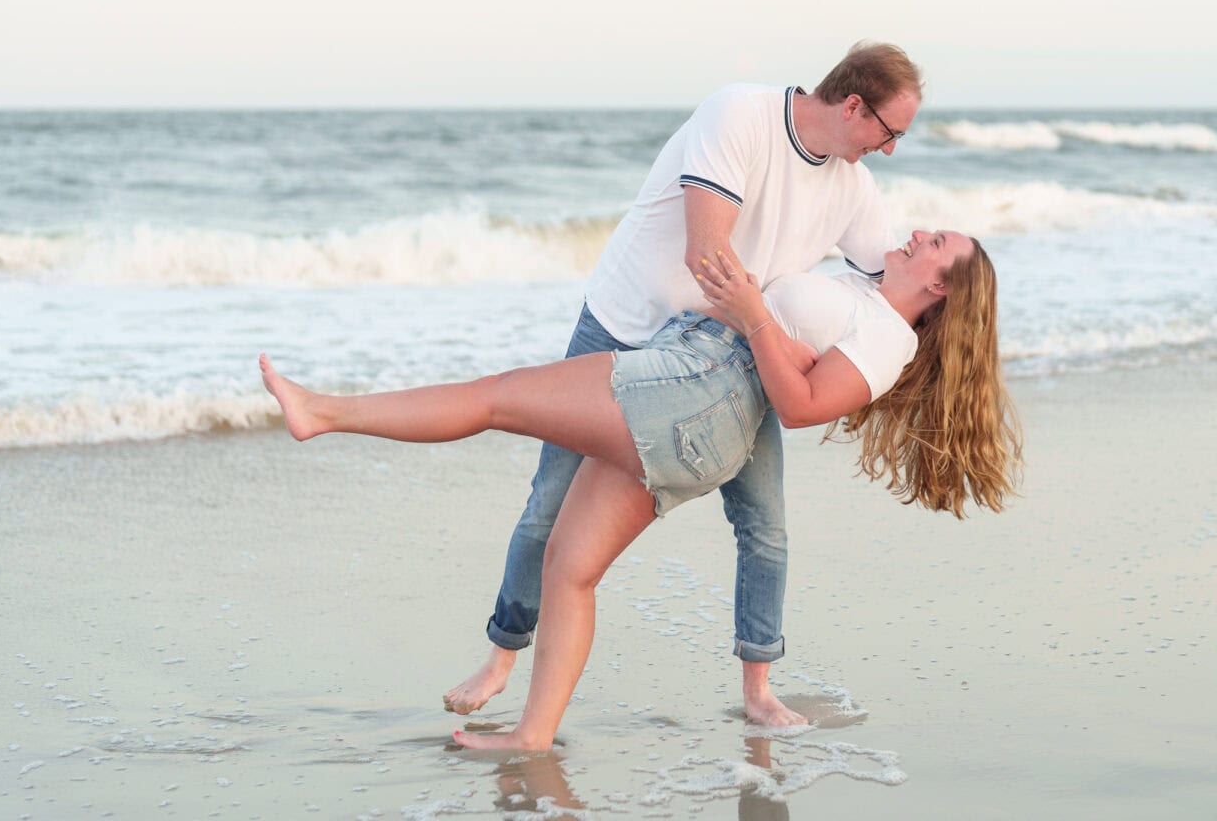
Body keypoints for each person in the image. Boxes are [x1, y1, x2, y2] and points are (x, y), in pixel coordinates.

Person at [259, 229, 1023, 751]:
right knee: (571, 565)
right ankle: (532, 733)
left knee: (497, 397)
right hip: (698, 401)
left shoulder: (889, 338)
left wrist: (753, 311)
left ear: (942, 286)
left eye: (939, 243)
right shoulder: (865, 293)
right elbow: (798, 366)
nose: (923, 232)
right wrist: (759, 315)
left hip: (691, 390)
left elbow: (799, 406)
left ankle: (323, 413)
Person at [445, 43, 925, 728]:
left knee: (765, 525)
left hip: (729, 360)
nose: (890, 149)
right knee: (549, 502)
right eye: (891, 131)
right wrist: (779, 339)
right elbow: (709, 257)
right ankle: (501, 654)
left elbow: (894, 291)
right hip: (626, 323)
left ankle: (758, 689)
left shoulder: (853, 188)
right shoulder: (741, 115)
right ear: (854, 106)